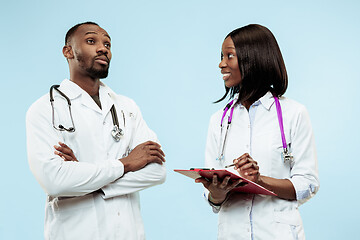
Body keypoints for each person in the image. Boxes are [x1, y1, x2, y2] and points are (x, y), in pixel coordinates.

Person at [26, 22, 166, 240]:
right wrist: (126, 163)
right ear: (68, 51)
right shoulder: (46, 109)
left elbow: (156, 172)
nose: (103, 48)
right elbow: (54, 181)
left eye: (107, 43)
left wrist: (82, 177)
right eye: (91, 41)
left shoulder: (127, 107)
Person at [195, 24, 319, 240]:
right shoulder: (219, 121)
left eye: (229, 56)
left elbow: (307, 183)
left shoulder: (293, 113)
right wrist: (217, 191)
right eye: (221, 56)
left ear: (252, 58)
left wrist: (259, 181)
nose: (221, 64)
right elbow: (212, 198)